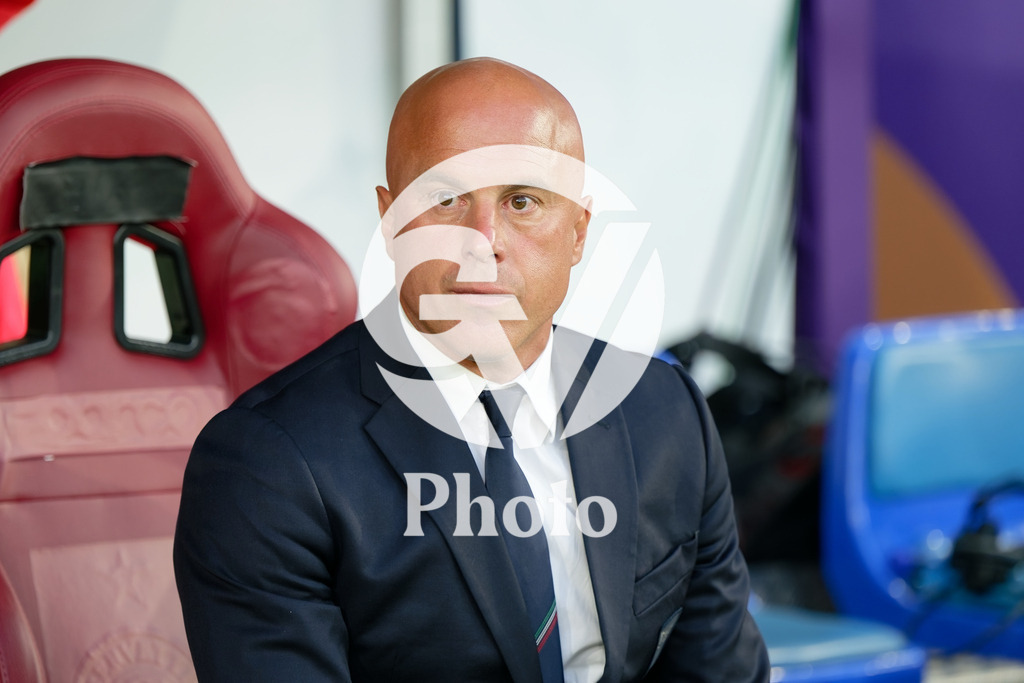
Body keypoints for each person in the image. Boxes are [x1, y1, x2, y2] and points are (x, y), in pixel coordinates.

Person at [173, 57, 769, 682]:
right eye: (445, 198)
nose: (482, 241)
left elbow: (719, 669)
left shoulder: (665, 411)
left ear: (577, 233)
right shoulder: (266, 464)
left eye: (522, 201)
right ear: (390, 219)